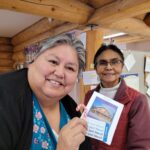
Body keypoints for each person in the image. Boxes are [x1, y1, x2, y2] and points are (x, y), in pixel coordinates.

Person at [0, 34, 91, 150]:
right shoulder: (4, 95)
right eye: (53, 61)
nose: (59, 73)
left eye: (70, 68)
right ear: (33, 59)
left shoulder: (72, 109)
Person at [84, 44, 150, 150]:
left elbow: (140, 146)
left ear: (122, 66)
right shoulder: (90, 96)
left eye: (114, 62)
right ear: (96, 68)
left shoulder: (137, 100)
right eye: (103, 63)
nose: (109, 67)